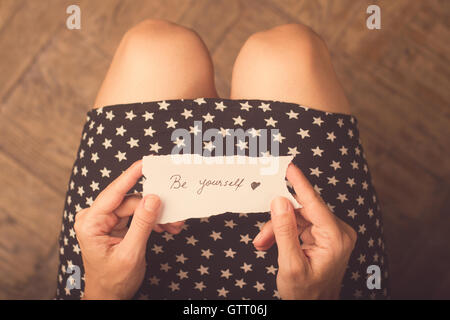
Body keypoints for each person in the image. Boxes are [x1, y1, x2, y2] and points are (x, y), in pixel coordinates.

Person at [55, 20, 389, 299]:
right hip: (310, 279)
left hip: (120, 275)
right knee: (288, 51)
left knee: (156, 46)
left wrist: (104, 289)